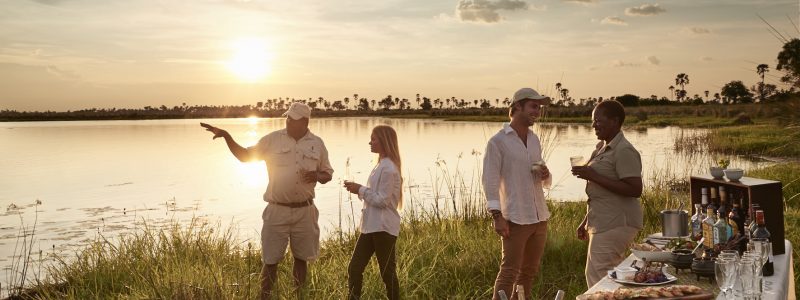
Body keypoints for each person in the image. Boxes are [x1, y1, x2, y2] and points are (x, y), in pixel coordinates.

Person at [200, 102, 334, 300]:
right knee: (270, 261)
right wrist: (227, 136)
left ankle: (300, 296)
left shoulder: (317, 143)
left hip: (305, 211)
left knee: (301, 259)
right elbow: (245, 157)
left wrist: (316, 175)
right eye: (287, 117)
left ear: (304, 121)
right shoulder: (273, 140)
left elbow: (327, 174)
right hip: (276, 211)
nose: (287, 121)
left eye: (292, 119)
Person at [482, 87, 552, 300]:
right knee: (510, 272)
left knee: (529, 272)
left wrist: (545, 173)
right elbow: (489, 181)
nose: (537, 111)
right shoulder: (498, 142)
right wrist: (497, 216)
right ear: (517, 107)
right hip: (515, 218)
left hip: (539, 216)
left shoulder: (534, 139)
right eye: (533, 106)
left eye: (539, 108)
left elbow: (542, 178)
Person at [571, 100, 643, 288]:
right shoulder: (602, 147)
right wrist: (586, 220)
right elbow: (602, 193)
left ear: (614, 121)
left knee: (598, 276)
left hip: (616, 222)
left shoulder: (624, 150)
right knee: (611, 275)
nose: (593, 125)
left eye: (598, 120)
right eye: (593, 121)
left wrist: (593, 175)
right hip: (603, 220)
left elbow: (635, 189)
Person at [343, 125, 402, 300]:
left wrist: (359, 189)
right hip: (370, 227)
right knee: (354, 267)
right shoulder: (380, 166)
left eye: (374, 139)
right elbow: (376, 196)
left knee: (387, 273)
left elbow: (382, 201)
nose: (370, 142)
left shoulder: (389, 168)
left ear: (384, 141)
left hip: (383, 228)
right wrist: (359, 189)